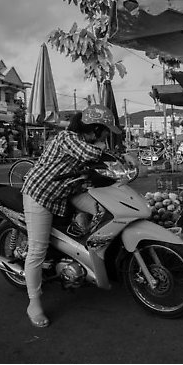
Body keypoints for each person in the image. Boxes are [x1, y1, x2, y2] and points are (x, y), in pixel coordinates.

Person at [21, 109, 120, 328]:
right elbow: (88, 155)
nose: (106, 136)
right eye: (105, 131)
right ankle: (34, 303)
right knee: (38, 249)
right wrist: (121, 157)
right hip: (40, 194)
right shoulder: (67, 138)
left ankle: (87, 256)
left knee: (108, 211)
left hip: (68, 192)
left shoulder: (91, 144)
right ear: (95, 128)